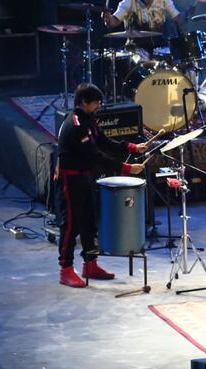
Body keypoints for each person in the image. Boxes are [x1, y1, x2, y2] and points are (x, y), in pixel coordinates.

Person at [55, 83, 147, 288]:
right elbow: (94, 155)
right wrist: (126, 168)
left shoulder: (89, 120)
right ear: (84, 102)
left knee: (89, 221)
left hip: (85, 176)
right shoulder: (76, 124)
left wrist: (132, 147)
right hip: (71, 180)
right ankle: (65, 269)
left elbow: (103, 142)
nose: (99, 105)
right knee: (71, 224)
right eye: (96, 102)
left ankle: (90, 263)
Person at [102, 0, 182, 56]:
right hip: (135, 49)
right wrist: (108, 19)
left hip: (159, 47)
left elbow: (178, 18)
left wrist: (191, 16)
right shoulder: (128, 2)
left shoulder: (164, 1)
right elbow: (114, 22)